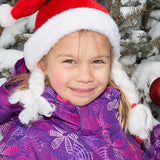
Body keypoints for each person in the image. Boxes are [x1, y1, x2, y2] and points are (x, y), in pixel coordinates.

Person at [0, 0, 159, 159]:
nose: (85, 76)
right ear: (42, 64)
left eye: (97, 61)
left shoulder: (120, 111)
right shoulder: (27, 141)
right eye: (69, 61)